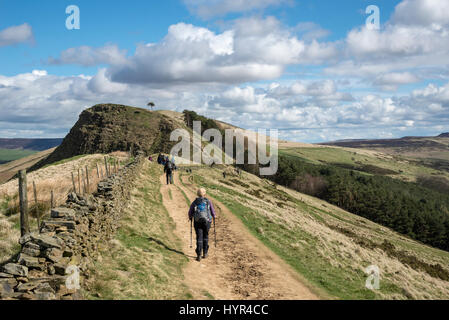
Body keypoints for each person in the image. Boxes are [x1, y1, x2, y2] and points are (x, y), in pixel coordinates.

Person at [188, 188, 216, 262]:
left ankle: (199, 254)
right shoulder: (208, 201)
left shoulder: (195, 202)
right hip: (207, 221)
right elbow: (212, 210)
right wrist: (214, 216)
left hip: (197, 222)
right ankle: (205, 253)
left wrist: (190, 217)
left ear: (197, 194)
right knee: (205, 236)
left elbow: (190, 211)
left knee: (199, 237)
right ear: (204, 194)